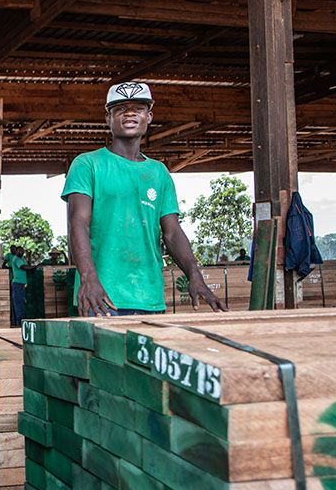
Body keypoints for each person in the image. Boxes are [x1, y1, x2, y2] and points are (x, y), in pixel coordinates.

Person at [63, 81, 225, 316]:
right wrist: (88, 279)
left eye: (138, 108)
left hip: (149, 298)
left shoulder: (159, 173)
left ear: (149, 116)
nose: (129, 113)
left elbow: (172, 232)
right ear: (108, 119)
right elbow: (78, 222)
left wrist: (194, 274)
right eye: (120, 109)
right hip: (100, 297)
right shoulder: (88, 164)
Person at [4, 244, 32, 326]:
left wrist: (29, 257)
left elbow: (27, 265)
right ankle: (19, 322)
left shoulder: (22, 258)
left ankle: (21, 321)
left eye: (22, 251)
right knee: (18, 303)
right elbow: (24, 267)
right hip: (17, 283)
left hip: (22, 283)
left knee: (21, 302)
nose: (21, 252)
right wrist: (34, 267)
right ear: (16, 251)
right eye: (19, 250)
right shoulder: (15, 259)